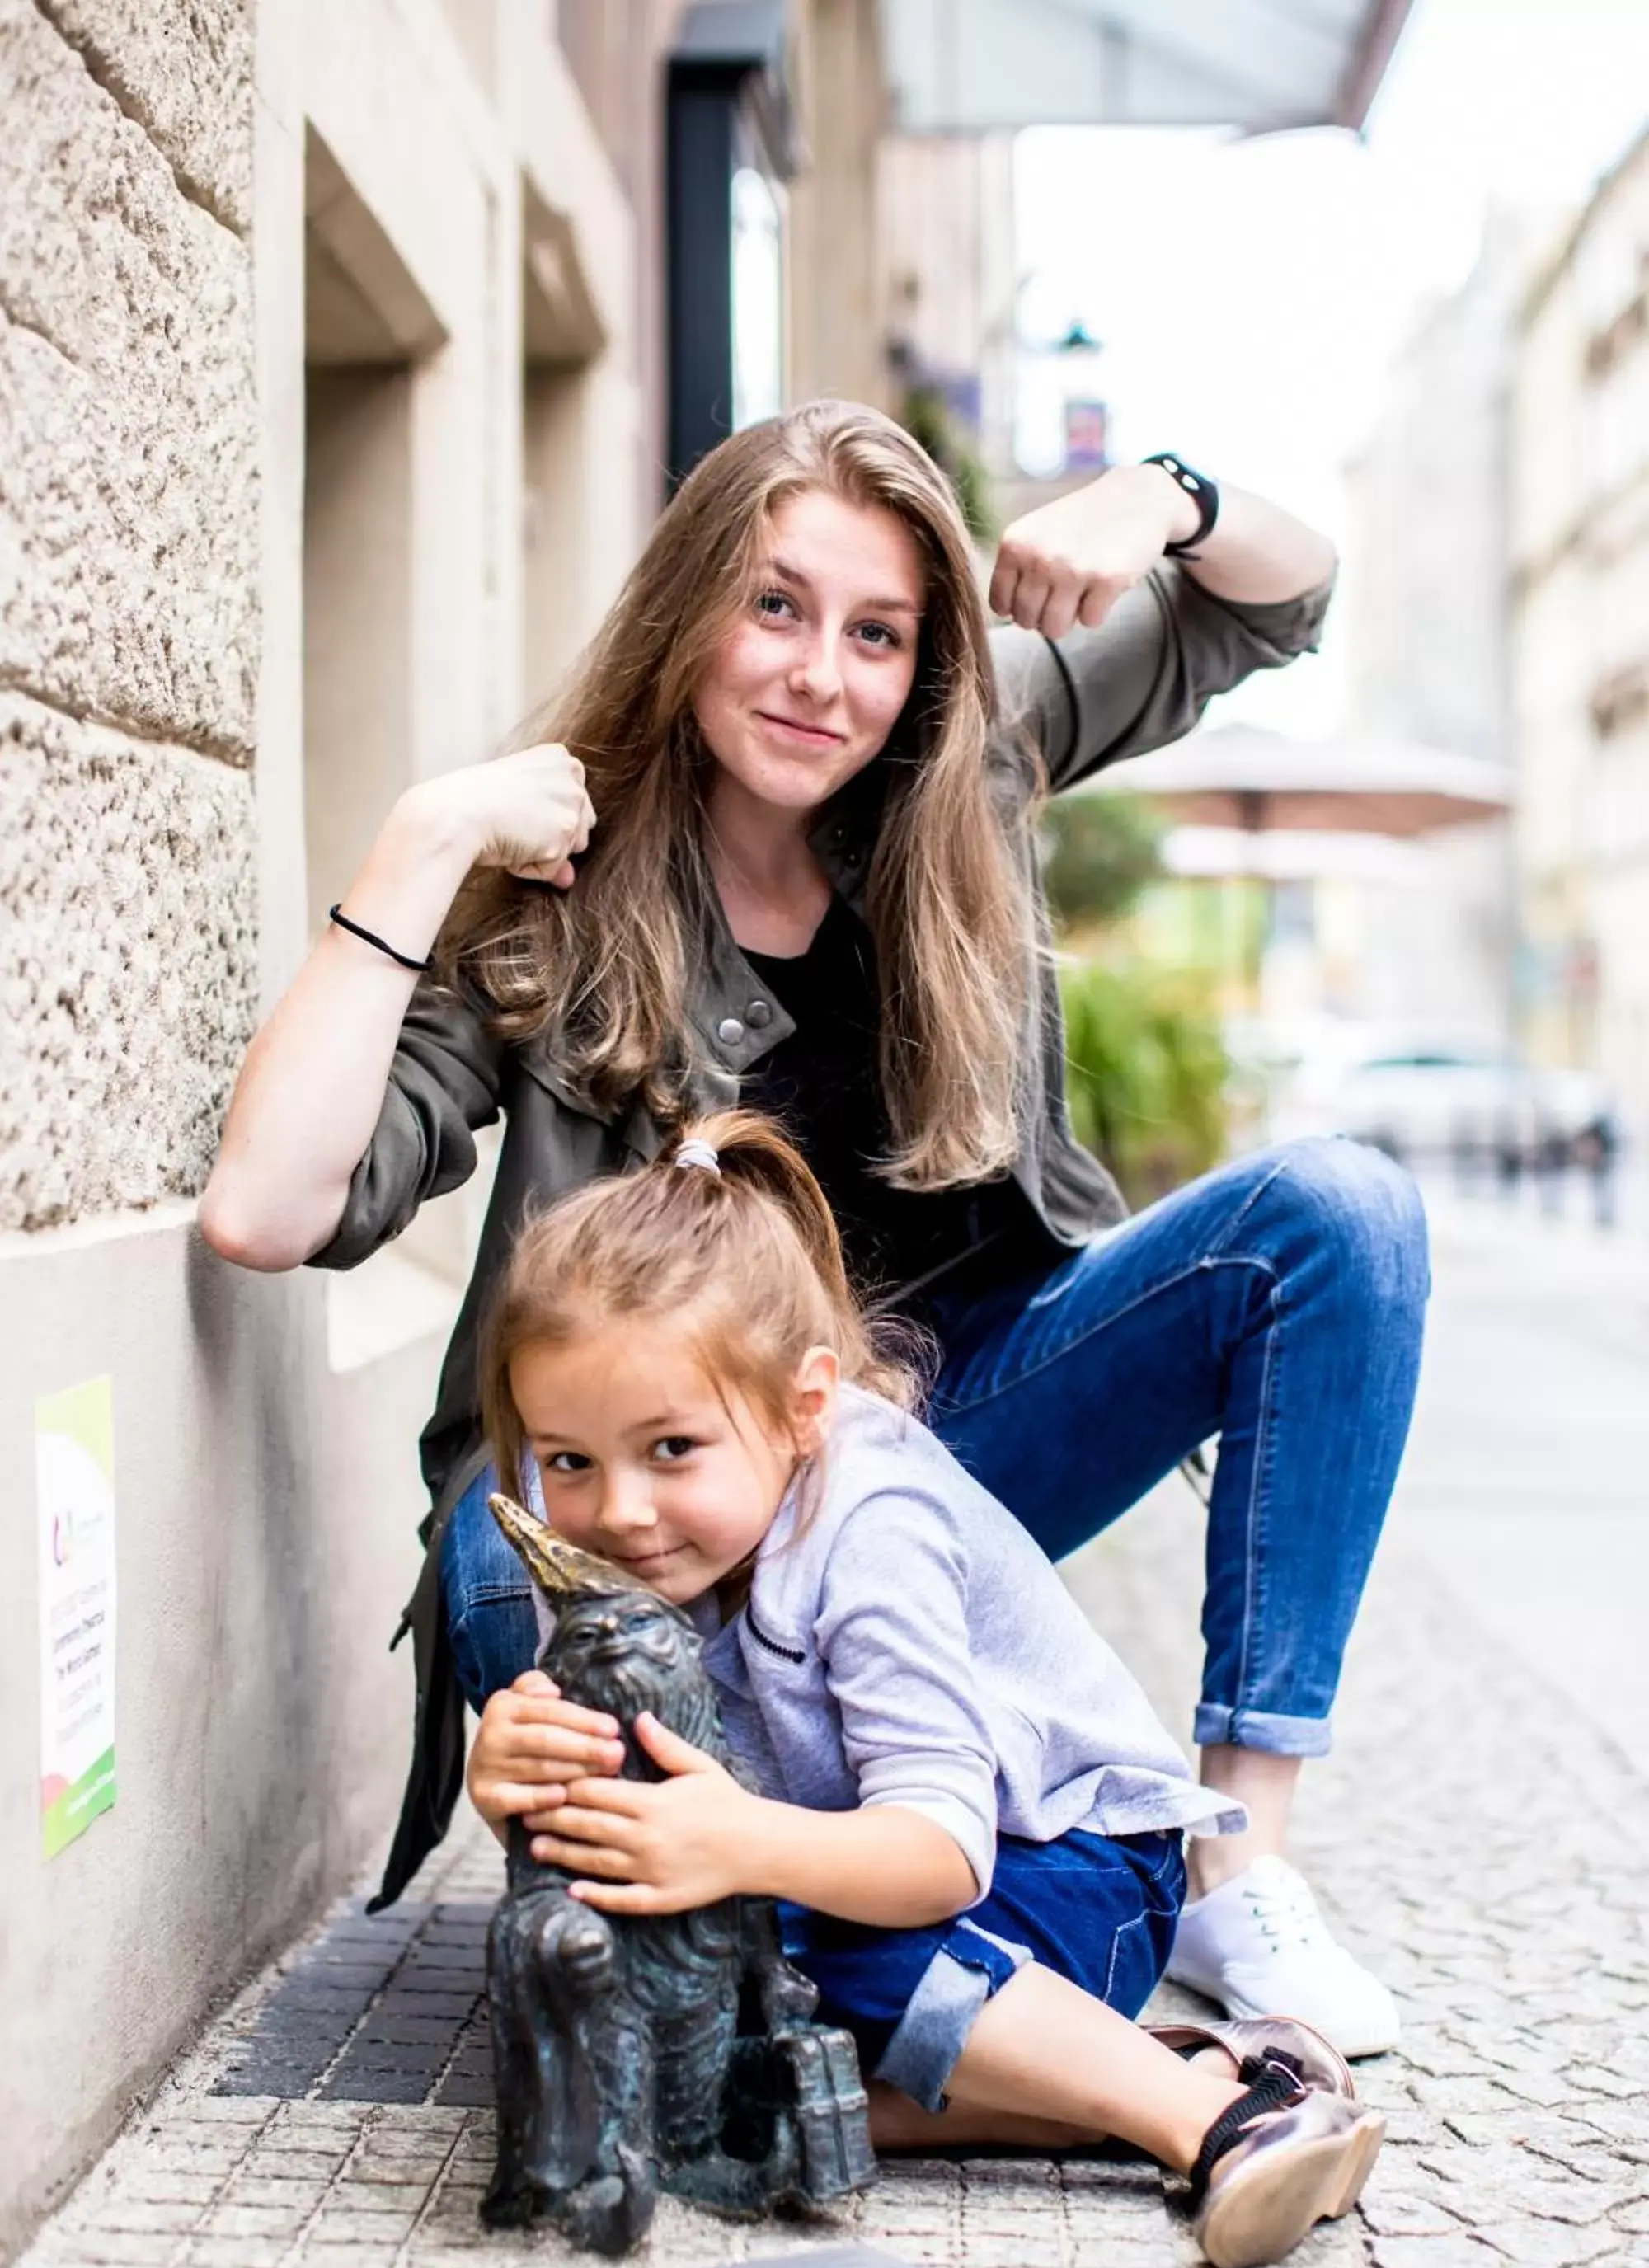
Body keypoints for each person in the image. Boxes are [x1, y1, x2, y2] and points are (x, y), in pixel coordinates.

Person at [200, 400, 1428, 2051]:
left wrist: (1172, 493)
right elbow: (271, 1209)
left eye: (876, 633)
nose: (818, 676)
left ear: (924, 665)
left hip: (944, 1450)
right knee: (503, 1533)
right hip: (659, 1495)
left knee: (1338, 1215)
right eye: (772, 606)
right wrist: (424, 841)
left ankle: (1230, 1887)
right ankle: (725, 1923)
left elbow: (1280, 598)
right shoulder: (561, 898)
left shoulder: (965, 770)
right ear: (689, 607)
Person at [463, 1111, 1387, 2268]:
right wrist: (511, 1784)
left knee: (830, 1963)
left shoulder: (868, 1528)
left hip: (1066, 1867)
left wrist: (742, 1843)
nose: (622, 1510)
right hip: (867, 1864)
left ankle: (1221, 2120)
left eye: (672, 1450)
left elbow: (944, 1852)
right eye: (569, 1461)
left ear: (803, 1408)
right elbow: (615, 1810)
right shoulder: (602, 1538)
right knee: (678, 2003)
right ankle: (1182, 2063)